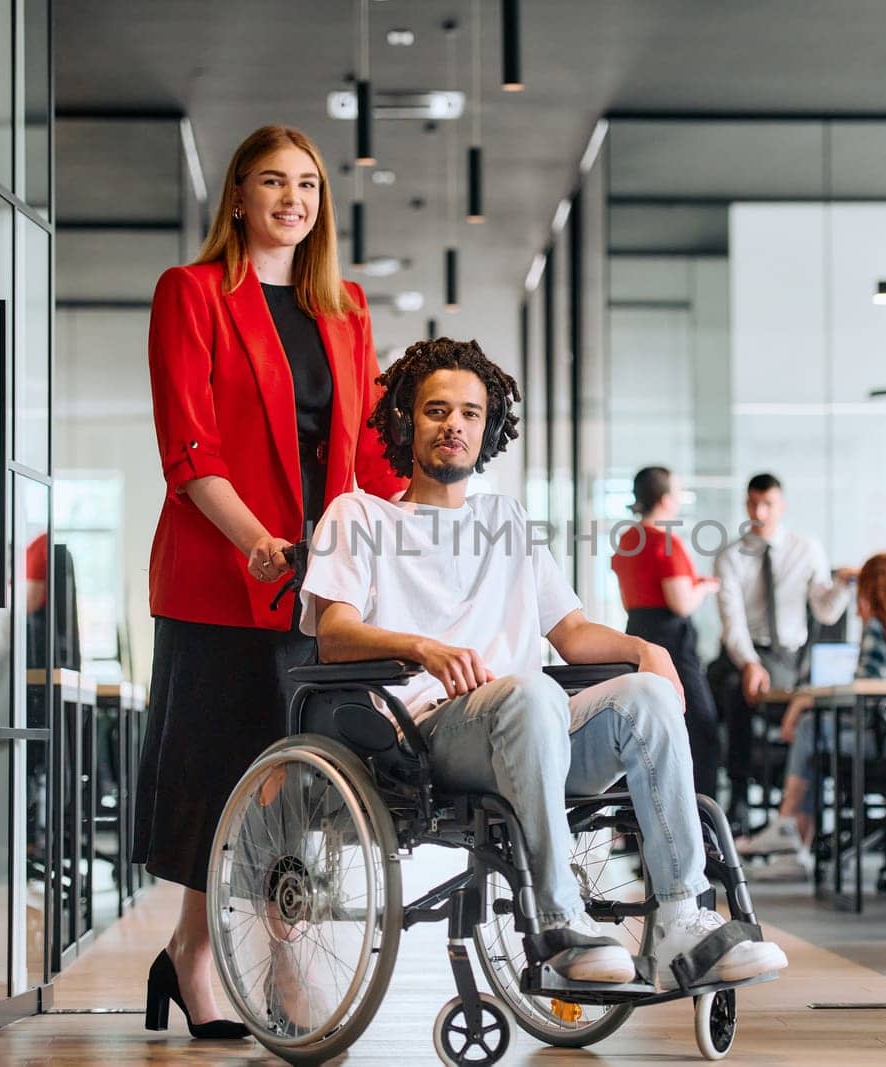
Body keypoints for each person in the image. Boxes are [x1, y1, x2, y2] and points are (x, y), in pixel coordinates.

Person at [298, 338, 789, 992]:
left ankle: (681, 919)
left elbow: (574, 631)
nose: (455, 425)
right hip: (426, 738)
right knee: (528, 692)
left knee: (643, 695)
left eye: (471, 413)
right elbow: (333, 631)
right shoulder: (359, 514)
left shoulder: (507, 521)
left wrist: (644, 647)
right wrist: (420, 647)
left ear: (490, 426)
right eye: (437, 410)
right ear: (405, 422)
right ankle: (558, 918)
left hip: (533, 726)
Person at [131, 124, 406, 1040]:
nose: (294, 199)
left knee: (296, 782)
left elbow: (369, 448)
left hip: (315, 582)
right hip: (220, 572)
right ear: (239, 197)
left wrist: (424, 497)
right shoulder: (193, 293)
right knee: (215, 772)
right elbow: (189, 444)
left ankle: (241, 950)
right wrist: (255, 538)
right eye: (273, 182)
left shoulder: (347, 307)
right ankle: (211, 956)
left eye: (309, 185)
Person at [735, 551, 886, 875]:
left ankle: (788, 829)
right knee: (815, 738)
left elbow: (866, 690)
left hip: (881, 742)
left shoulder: (878, 629)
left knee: (812, 730)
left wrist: (804, 702)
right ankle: (793, 845)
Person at [709, 473, 855, 830]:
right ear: (746, 504)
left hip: (788, 658)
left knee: (791, 700)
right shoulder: (731, 556)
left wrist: (843, 586)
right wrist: (750, 664)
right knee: (729, 688)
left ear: (781, 505)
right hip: (744, 652)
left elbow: (825, 610)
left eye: (767, 504)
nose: (759, 511)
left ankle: (791, 797)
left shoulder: (806, 549)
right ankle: (738, 795)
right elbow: (733, 622)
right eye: (753, 503)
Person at [609, 468, 722, 799]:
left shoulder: (628, 540)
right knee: (701, 729)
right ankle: (704, 820)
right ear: (665, 499)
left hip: (637, 634)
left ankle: (635, 823)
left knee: (647, 727)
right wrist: (705, 587)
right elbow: (681, 602)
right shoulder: (664, 541)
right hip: (671, 642)